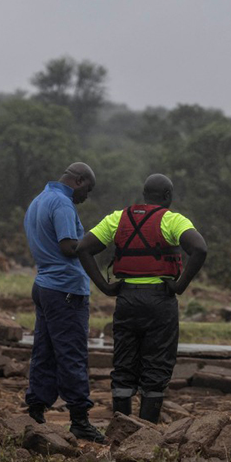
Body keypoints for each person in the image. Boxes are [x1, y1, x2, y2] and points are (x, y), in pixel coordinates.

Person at [78, 174, 207, 423]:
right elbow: (199, 248)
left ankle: (121, 429)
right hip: (160, 302)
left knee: (124, 365)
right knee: (156, 366)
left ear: (145, 195)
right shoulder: (172, 220)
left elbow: (83, 247)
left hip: (126, 301)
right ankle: (146, 433)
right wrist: (180, 286)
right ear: (168, 197)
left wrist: (105, 287)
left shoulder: (118, 218)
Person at [23, 162, 106, 443]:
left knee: (44, 350)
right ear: (79, 181)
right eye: (88, 190)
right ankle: (80, 418)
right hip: (65, 289)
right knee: (72, 352)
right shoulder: (62, 204)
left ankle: (35, 410)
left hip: (45, 284)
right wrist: (100, 240)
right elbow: (69, 247)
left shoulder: (39, 199)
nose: (87, 197)